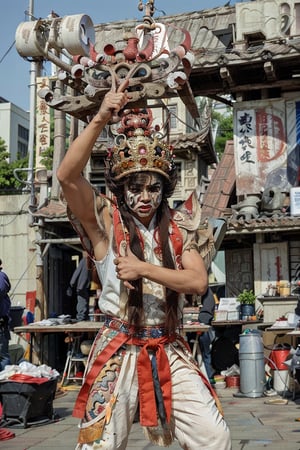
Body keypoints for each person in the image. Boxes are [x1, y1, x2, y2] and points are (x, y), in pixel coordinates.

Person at [57, 82, 231, 449]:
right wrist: (101, 116)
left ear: (164, 188)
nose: (145, 196)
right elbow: (67, 177)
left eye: (153, 187)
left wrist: (143, 268)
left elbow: (198, 282)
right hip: (119, 346)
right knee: (99, 444)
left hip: (168, 344)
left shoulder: (180, 226)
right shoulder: (106, 221)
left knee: (213, 437)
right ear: (121, 188)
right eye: (135, 187)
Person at [198, 287, 216, 381]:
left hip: (202, 325)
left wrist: (199, 321)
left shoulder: (206, 292)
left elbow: (206, 313)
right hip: (201, 324)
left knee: (205, 350)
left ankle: (209, 375)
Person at [67, 253, 91, 322]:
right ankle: (81, 317)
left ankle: (82, 316)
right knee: (82, 300)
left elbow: (77, 272)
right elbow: (77, 272)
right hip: (82, 285)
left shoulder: (86, 261)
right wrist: (72, 283)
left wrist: (72, 283)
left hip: (83, 285)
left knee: (83, 300)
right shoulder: (85, 261)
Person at [0, 259, 11, 370]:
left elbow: (2, 289)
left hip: (1, 322)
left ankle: (5, 385)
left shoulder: (1, 276)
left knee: (3, 355)